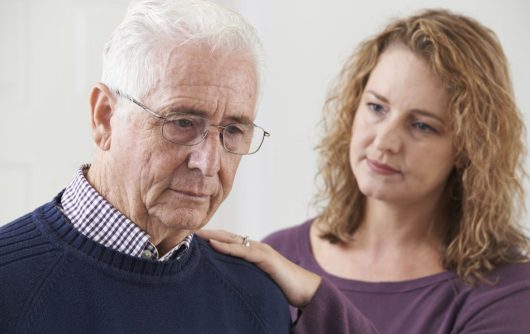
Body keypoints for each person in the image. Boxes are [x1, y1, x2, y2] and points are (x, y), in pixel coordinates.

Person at [199, 9, 530, 333]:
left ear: (468, 146)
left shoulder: (508, 289)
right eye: (376, 107)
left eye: (421, 125)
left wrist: (319, 300)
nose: (385, 141)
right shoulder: (279, 254)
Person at [0, 0, 291, 333]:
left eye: (233, 131)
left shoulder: (259, 299)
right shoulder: (8, 287)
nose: (208, 164)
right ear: (104, 117)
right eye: (182, 122)